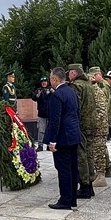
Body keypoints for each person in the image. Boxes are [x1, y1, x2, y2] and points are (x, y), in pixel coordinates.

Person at [43, 67, 81, 210]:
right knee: (72, 168)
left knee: (64, 169)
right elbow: (78, 114)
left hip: (63, 138)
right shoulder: (72, 92)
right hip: (73, 135)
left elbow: (55, 120)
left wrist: (52, 141)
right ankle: (72, 199)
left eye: (50, 79)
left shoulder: (57, 95)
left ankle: (65, 200)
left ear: (54, 79)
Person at [66, 64, 97, 199]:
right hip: (91, 123)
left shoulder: (76, 86)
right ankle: (89, 184)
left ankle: (84, 185)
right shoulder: (88, 84)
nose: (68, 75)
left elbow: (74, 107)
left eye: (69, 73)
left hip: (81, 125)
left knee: (81, 155)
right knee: (89, 153)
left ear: (74, 73)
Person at [89, 67, 111, 184]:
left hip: (100, 123)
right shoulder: (99, 86)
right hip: (102, 122)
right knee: (101, 148)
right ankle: (106, 170)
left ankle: (102, 173)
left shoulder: (102, 87)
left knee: (99, 149)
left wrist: (104, 121)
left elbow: (104, 106)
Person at [31, 76, 52, 152]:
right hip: (41, 114)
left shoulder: (50, 89)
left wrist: (53, 92)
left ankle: (49, 145)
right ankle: (40, 145)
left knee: (49, 130)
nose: (44, 83)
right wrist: (37, 95)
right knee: (41, 130)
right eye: (43, 82)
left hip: (50, 114)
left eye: (45, 82)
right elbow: (33, 98)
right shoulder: (38, 90)